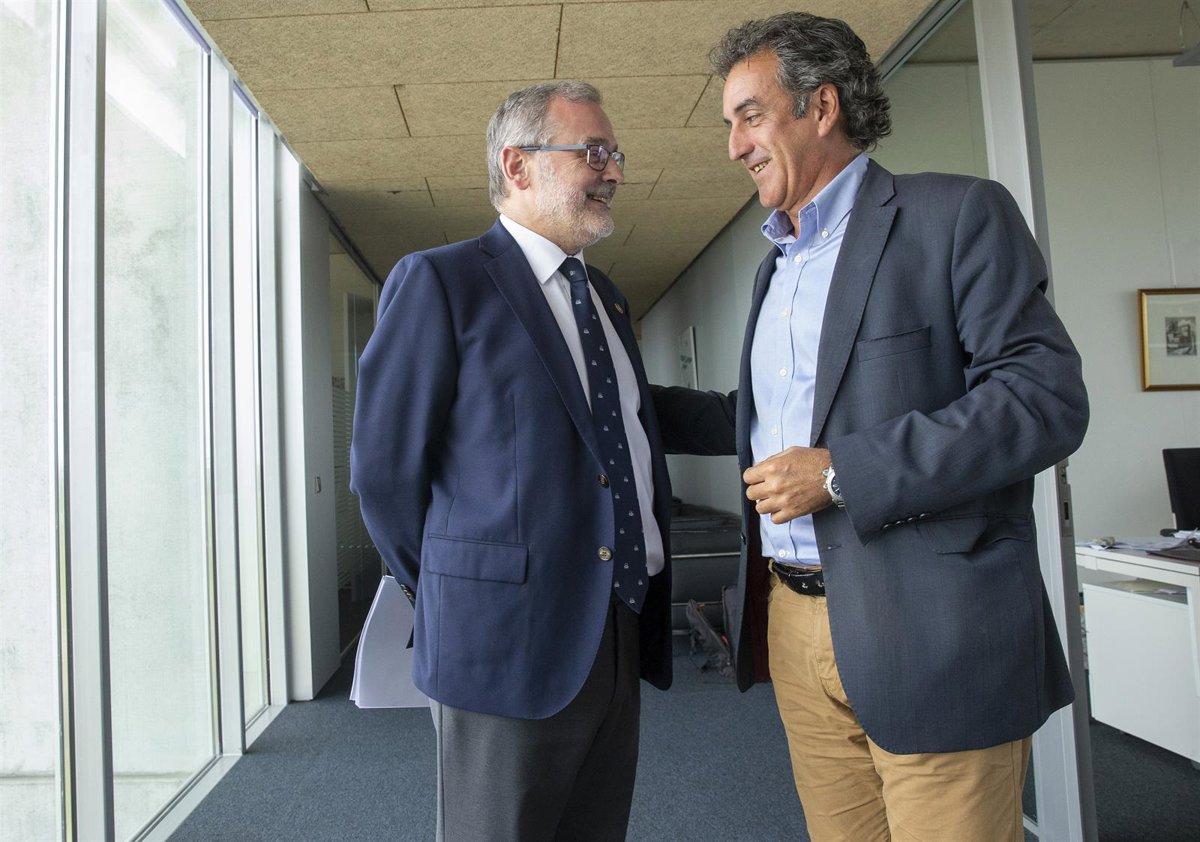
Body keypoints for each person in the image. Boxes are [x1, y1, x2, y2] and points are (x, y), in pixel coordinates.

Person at [652, 12, 1089, 841]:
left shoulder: (955, 215)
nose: (734, 146)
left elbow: (1043, 399)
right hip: (794, 621)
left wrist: (841, 472)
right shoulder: (776, 267)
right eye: (729, 125)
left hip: (931, 625)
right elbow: (757, 421)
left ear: (821, 107)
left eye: (750, 116)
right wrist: (608, 397)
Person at [350, 81, 673, 842]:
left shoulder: (605, 298)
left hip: (616, 625)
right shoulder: (441, 281)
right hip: (500, 640)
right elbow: (384, 473)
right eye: (593, 152)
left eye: (615, 154)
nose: (613, 170)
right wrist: (454, 587)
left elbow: (618, 423)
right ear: (518, 165)